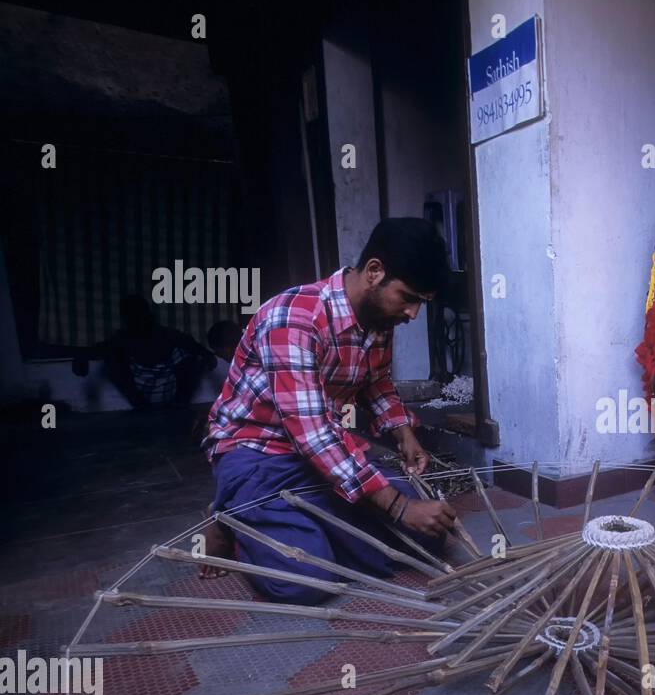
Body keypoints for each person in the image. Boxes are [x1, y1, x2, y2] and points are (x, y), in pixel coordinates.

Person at [199, 218, 458, 603]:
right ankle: (235, 519)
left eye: (421, 302)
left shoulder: (378, 320)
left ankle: (288, 519)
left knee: (428, 537)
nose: (412, 314)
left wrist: (404, 433)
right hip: (256, 453)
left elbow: (376, 382)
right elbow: (315, 435)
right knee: (306, 578)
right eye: (409, 298)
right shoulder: (292, 318)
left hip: (318, 456)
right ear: (374, 272)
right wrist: (399, 506)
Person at [73, 295, 216, 409]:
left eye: (140, 315)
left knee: (191, 358)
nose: (137, 320)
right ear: (126, 320)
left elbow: (193, 347)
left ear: (148, 315)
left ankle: (179, 403)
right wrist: (81, 358)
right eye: (132, 317)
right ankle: (142, 408)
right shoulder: (122, 339)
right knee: (112, 358)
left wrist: (207, 356)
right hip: (139, 394)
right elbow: (100, 350)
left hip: (172, 390)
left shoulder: (166, 335)